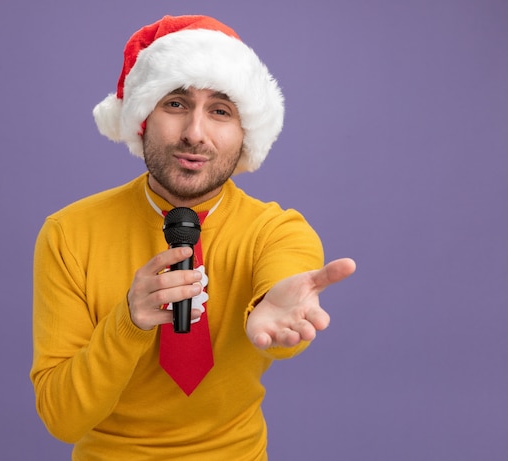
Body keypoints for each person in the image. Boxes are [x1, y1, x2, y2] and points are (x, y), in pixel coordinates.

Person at [30, 14, 356, 460]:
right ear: (142, 117)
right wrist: (129, 321)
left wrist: (276, 314)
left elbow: (284, 295)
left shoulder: (277, 232)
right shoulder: (69, 234)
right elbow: (61, 418)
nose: (194, 134)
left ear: (245, 136)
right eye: (176, 104)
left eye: (220, 111)